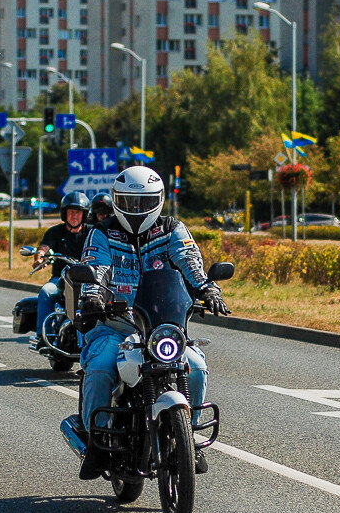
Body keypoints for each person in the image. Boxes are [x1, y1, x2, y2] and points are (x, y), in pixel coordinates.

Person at [73, 166, 230, 480]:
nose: (136, 209)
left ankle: (190, 437)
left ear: (158, 201)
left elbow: (189, 261)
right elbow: (96, 266)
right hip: (115, 324)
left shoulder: (172, 229)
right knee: (101, 368)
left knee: (196, 366)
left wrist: (208, 288)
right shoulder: (102, 232)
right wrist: (92, 296)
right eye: (128, 202)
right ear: (117, 200)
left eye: (143, 202)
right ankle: (96, 441)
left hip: (161, 327)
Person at [30, 192, 91, 348]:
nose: (74, 216)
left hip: (87, 280)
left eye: (78, 212)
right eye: (71, 212)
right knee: (46, 292)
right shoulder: (55, 232)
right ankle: (43, 336)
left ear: (84, 214)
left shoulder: (92, 232)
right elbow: (44, 247)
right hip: (60, 280)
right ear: (65, 213)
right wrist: (39, 257)